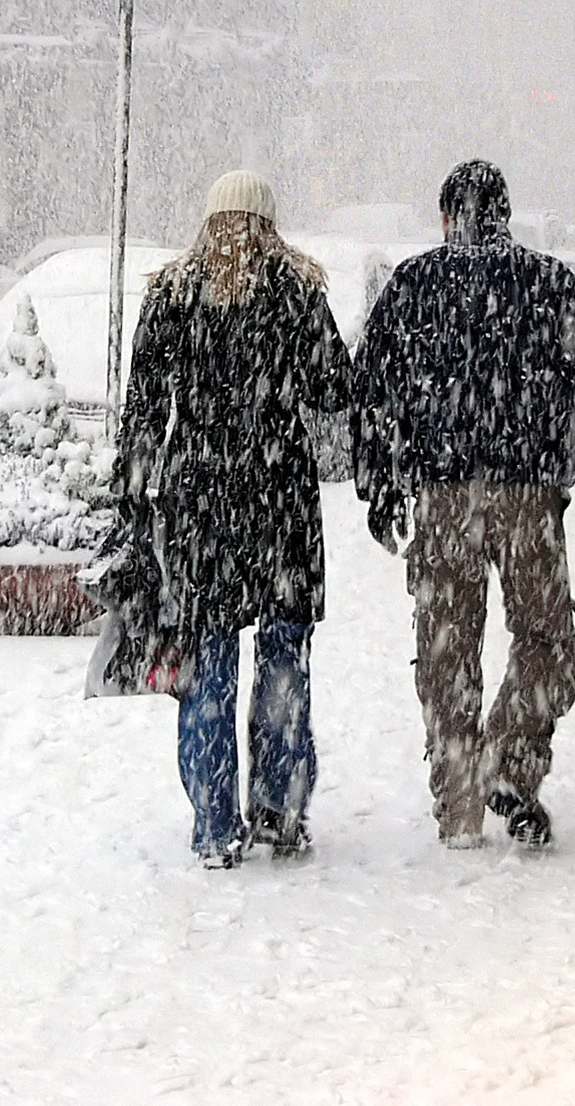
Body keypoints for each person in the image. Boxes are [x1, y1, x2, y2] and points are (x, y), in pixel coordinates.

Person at [352, 159, 575, 850]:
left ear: (447, 216)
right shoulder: (546, 282)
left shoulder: (414, 286)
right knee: (549, 641)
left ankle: (460, 803)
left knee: (446, 656)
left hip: (445, 500)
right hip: (528, 498)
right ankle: (509, 757)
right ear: (505, 213)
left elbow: (369, 391)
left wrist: (378, 481)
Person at [117, 170, 354, 869]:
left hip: (201, 507)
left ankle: (214, 824)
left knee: (209, 666)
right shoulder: (296, 293)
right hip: (279, 502)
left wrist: (133, 499)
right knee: (283, 664)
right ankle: (279, 811)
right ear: (269, 224)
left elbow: (143, 411)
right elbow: (333, 389)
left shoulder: (170, 297)